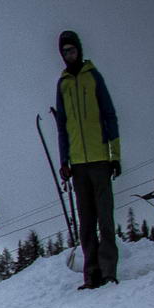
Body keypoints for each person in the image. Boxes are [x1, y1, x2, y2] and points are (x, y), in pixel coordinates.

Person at [52, 29, 122, 289]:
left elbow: (110, 115)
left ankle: (108, 271)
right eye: (65, 52)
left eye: (72, 50)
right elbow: (62, 127)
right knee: (86, 223)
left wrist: (115, 155)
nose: (69, 55)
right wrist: (64, 162)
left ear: (79, 49)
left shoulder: (94, 77)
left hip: (100, 159)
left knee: (105, 218)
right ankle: (91, 273)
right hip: (78, 164)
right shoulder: (63, 84)